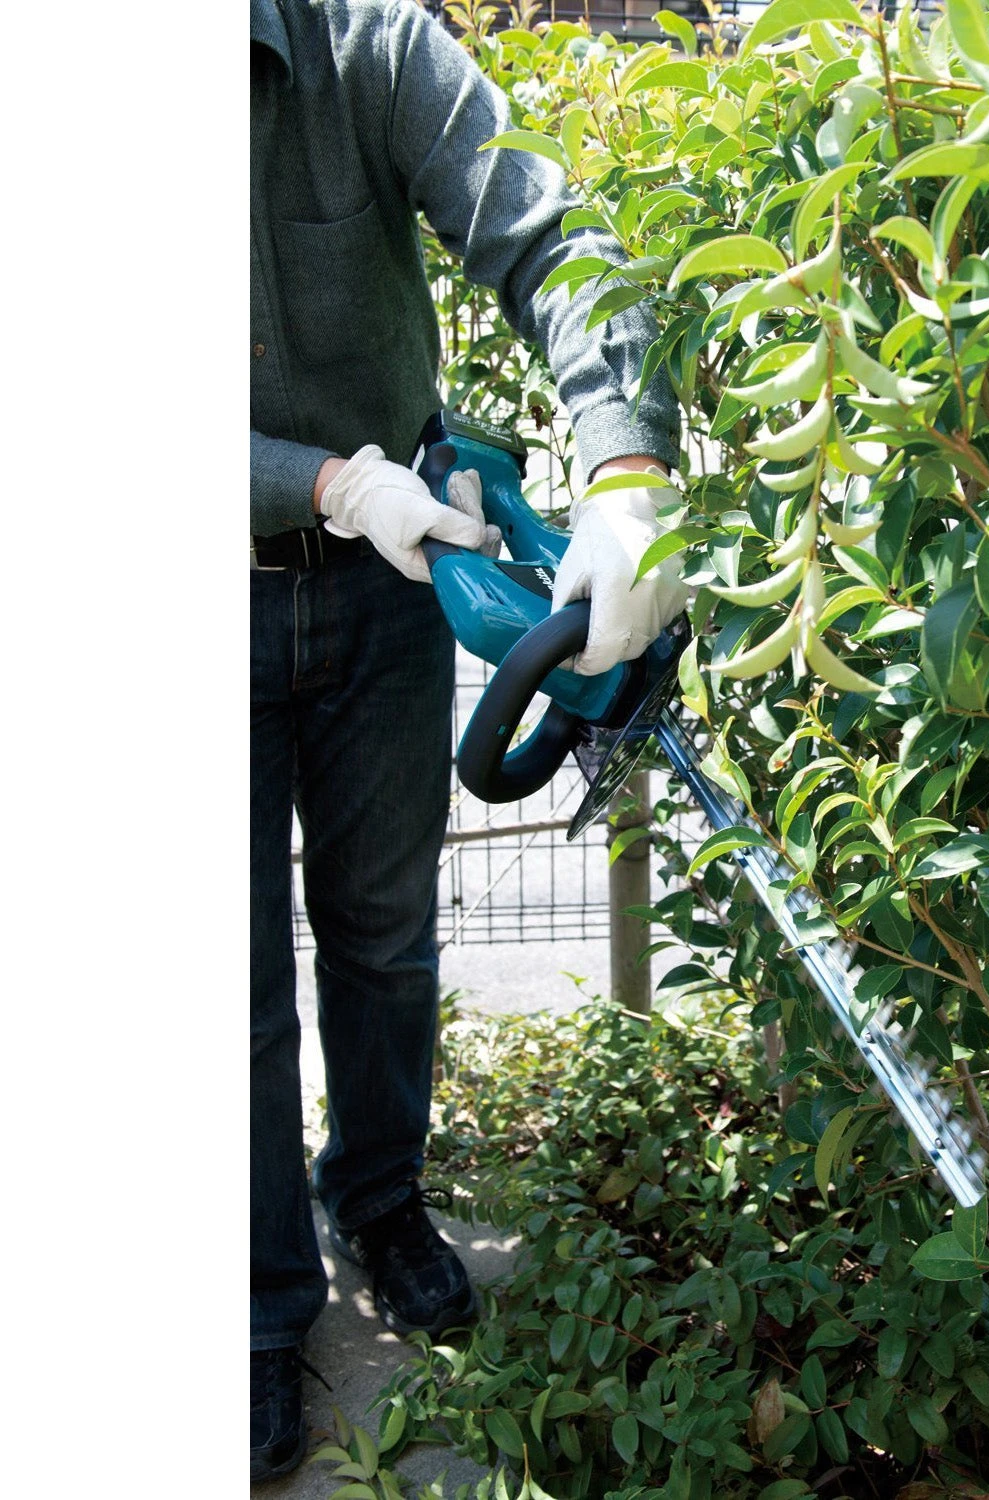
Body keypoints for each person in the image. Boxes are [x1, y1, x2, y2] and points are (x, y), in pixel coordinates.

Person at [250, 0, 687, 1481]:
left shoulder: (365, 46)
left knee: (383, 933)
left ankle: (378, 1200)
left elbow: (554, 236)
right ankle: (262, 1302)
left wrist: (625, 474)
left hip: (389, 590)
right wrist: (325, 483)